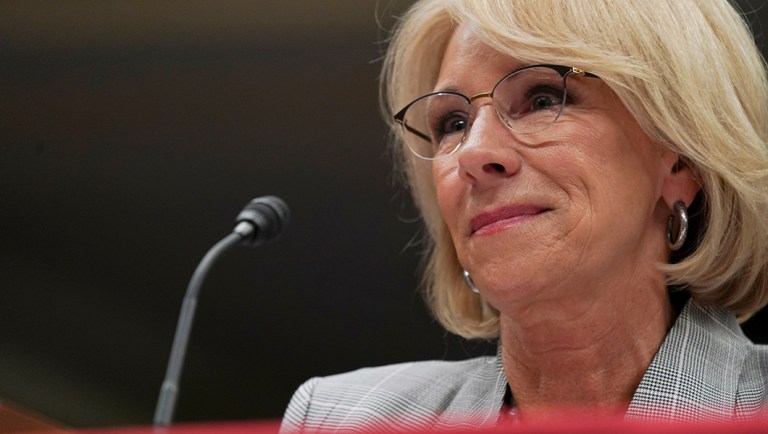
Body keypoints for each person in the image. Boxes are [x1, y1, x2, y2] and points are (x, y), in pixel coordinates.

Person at [281, 0, 768, 431]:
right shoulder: (338, 419)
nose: (473, 153)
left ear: (680, 158)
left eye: (541, 99)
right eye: (453, 123)